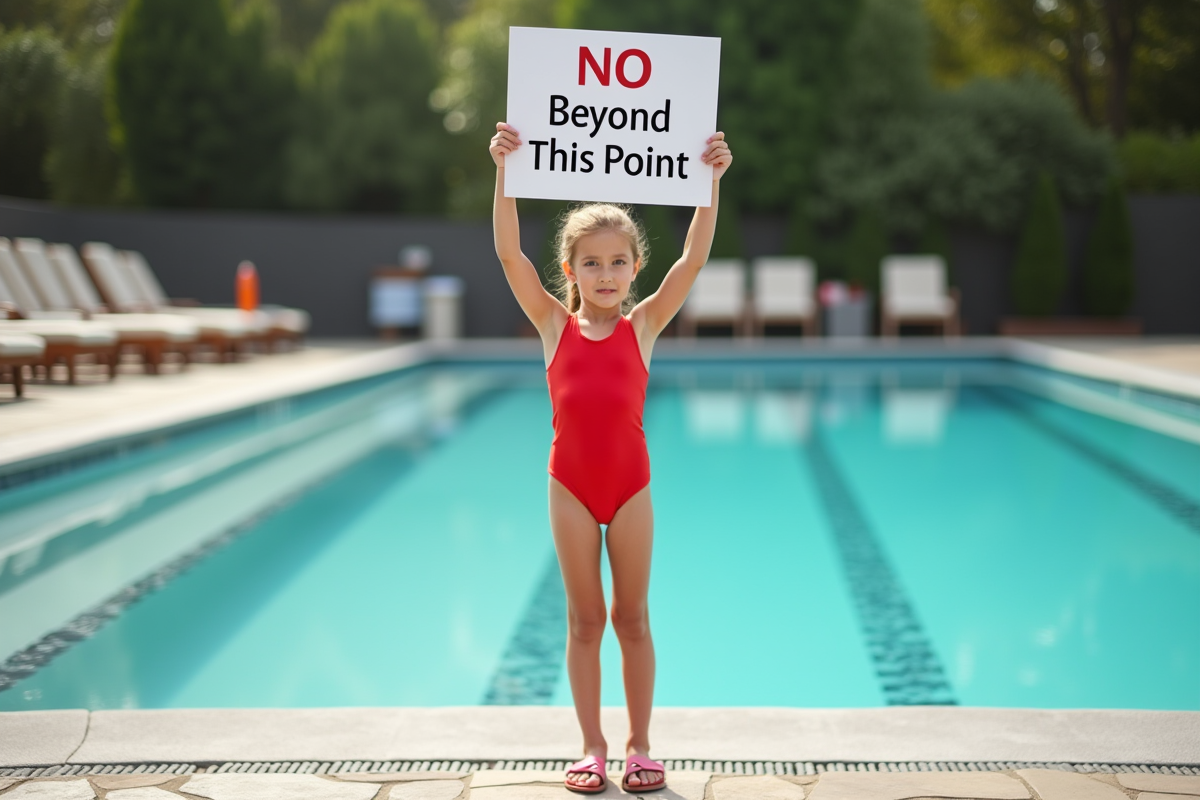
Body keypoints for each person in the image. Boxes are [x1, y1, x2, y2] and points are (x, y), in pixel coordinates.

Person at [489, 121, 732, 794]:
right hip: (569, 486)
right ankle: (592, 746)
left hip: (631, 489)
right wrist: (504, 170)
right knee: (584, 621)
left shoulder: (643, 325)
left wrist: (710, 180)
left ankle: (640, 745)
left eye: (617, 262)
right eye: (591, 263)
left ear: (634, 267)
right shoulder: (553, 325)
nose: (605, 274)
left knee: (633, 618)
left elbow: (692, 261)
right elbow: (509, 254)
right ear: (570, 270)